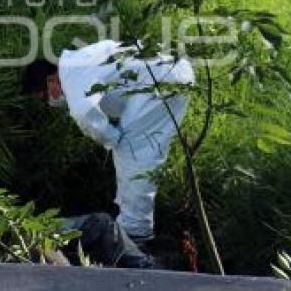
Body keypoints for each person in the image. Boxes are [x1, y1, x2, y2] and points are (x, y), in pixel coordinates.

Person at [22, 40, 195, 245]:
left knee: (134, 152)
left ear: (52, 80)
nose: (49, 102)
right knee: (145, 150)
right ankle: (134, 226)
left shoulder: (70, 76)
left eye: (44, 96)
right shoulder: (79, 61)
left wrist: (112, 138)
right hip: (172, 70)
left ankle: (135, 233)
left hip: (160, 79)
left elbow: (84, 113)